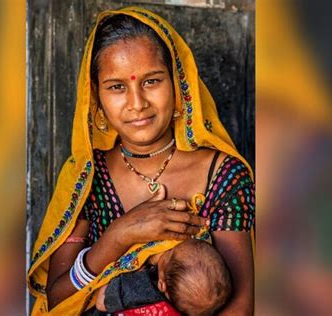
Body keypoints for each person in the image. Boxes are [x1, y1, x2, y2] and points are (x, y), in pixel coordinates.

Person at [27, 7, 255, 315]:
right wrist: (120, 235)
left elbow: (240, 306)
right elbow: (58, 299)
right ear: (96, 96)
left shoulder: (224, 177)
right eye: (117, 87)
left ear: (177, 83)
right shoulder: (87, 179)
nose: (137, 103)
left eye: (151, 81)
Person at [95, 238, 232, 316]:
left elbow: (101, 303)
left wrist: (135, 273)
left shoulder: (140, 286)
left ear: (162, 285)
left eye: (170, 253)